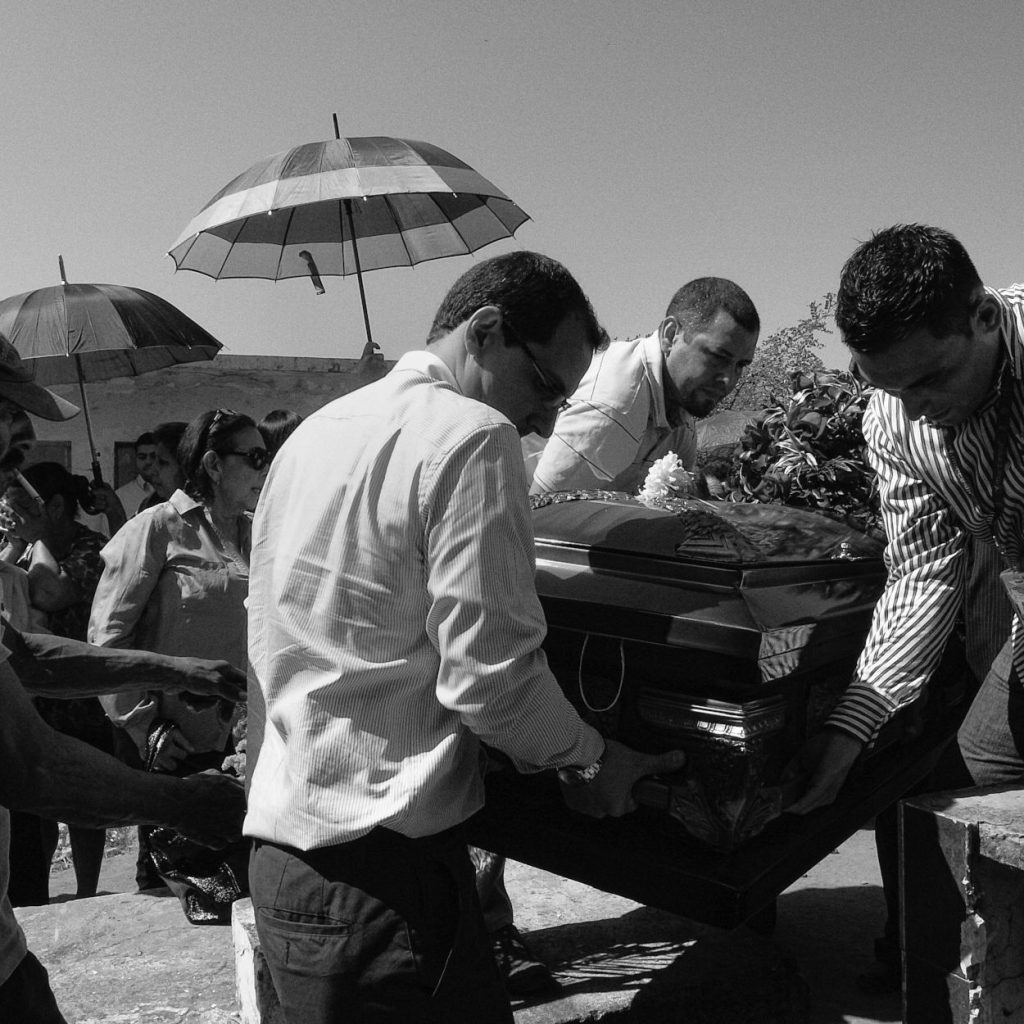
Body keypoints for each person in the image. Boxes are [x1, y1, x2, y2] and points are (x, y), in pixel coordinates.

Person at [244, 251, 686, 1023]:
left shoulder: (308, 437)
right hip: (388, 884)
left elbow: (264, 644)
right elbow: (490, 680)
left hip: (283, 871)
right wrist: (592, 759)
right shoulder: (474, 437)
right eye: (547, 388)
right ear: (487, 332)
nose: (548, 421)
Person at [784, 224, 1024, 981]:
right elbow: (924, 571)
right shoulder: (894, 419)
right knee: (965, 788)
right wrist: (853, 726)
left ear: (984, 318)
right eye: (890, 386)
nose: (916, 409)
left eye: (930, 379)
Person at [0, 333, 247, 1023]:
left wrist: (170, 666)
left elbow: (25, 658)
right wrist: (183, 802)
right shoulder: (150, 529)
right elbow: (31, 767)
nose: (22, 444)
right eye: (9, 419)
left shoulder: (247, 530)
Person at [91, 410, 267, 888]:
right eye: (253, 456)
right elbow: (107, 638)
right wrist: (144, 726)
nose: (263, 467)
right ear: (212, 464)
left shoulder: (261, 533)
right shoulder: (156, 528)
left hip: (251, 752)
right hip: (178, 753)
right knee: (183, 892)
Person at [523, 276, 759, 494]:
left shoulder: (680, 412)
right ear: (670, 335)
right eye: (718, 357)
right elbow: (541, 515)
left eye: (741, 365)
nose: (729, 379)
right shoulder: (614, 407)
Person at [1, 463, 111, 904]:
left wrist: (35, 535)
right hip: (36, 697)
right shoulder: (24, 548)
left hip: (83, 697)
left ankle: (87, 894)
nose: (14, 516)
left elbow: (51, 593)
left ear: (57, 507)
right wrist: (16, 543)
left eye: (22, 506)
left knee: (85, 804)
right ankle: (35, 893)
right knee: (35, 805)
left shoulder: (91, 549)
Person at [136, 421, 187, 514]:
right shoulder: (149, 506)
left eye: (163, 463)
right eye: (142, 457)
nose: (153, 470)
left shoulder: (212, 513)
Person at [114, 432, 157, 518]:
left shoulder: (171, 492)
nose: (148, 461)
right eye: (142, 457)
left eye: (153, 456)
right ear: (135, 459)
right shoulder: (120, 497)